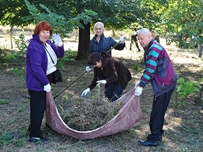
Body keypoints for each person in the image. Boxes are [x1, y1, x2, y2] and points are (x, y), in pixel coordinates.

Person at [134, 28, 177, 147]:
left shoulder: (154, 48)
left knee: (157, 112)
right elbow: (150, 67)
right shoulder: (150, 47)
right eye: (139, 39)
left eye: (142, 39)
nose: (140, 41)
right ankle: (158, 133)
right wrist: (141, 81)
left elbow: (151, 69)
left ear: (149, 37)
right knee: (159, 110)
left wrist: (142, 85)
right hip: (164, 82)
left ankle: (154, 138)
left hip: (165, 84)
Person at [26, 21, 64, 142]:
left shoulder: (47, 43)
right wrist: (45, 83)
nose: (46, 34)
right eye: (43, 32)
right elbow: (36, 68)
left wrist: (60, 45)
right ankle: (35, 135)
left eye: (47, 32)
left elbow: (59, 54)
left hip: (44, 79)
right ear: (38, 32)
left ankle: (33, 127)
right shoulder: (34, 46)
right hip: (37, 82)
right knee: (38, 107)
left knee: (40, 106)